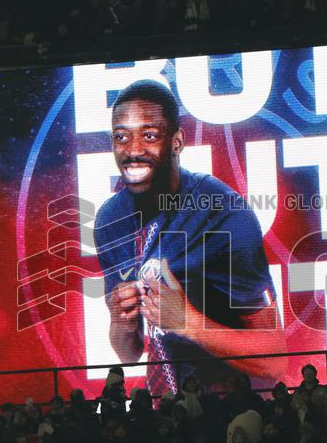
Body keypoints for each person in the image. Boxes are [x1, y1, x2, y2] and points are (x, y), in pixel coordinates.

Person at [94, 80, 286, 393]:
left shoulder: (224, 213)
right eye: (121, 137)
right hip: (167, 410)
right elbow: (128, 354)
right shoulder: (110, 220)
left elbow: (275, 360)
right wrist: (121, 321)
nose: (132, 150)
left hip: (234, 409)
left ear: (177, 142)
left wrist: (190, 323)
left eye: (149, 135)